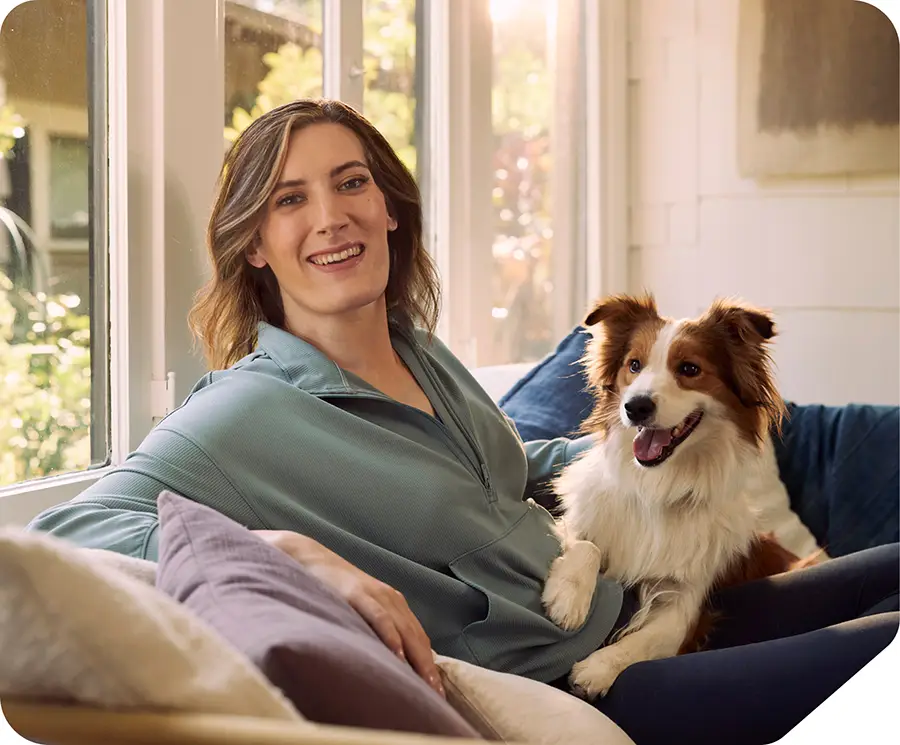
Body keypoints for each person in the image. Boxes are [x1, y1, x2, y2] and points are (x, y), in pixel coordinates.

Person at [28, 99, 898, 745]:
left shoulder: (419, 351)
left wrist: (632, 443)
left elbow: (504, 470)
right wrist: (293, 554)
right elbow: (69, 532)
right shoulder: (241, 413)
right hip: (591, 684)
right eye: (289, 200)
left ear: (390, 208)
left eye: (351, 182)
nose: (331, 216)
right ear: (254, 244)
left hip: (645, 605)